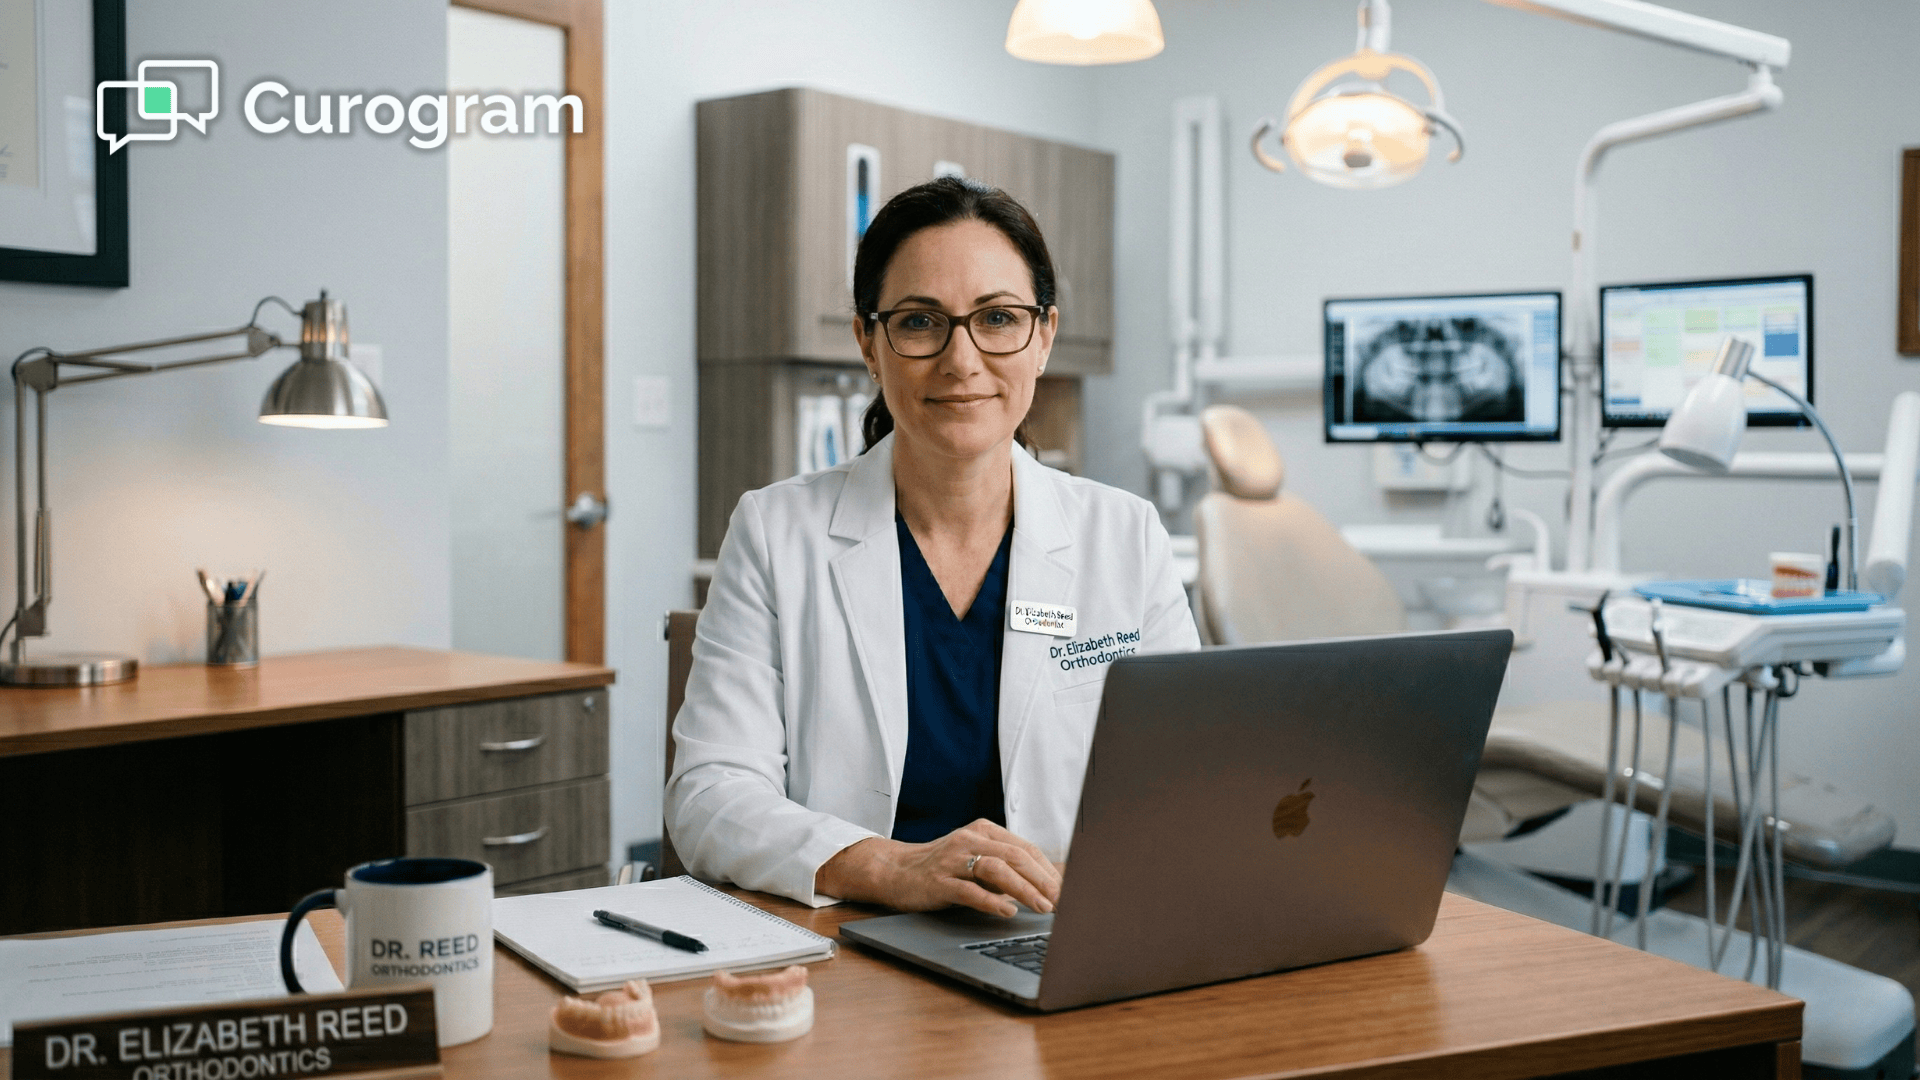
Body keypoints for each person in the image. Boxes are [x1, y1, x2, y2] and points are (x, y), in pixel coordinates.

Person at [666, 176, 1199, 915]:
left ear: (1043, 337)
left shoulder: (1125, 537)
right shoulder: (773, 532)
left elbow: (1189, 781)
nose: (962, 359)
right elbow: (709, 796)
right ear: (868, 341)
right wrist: (888, 868)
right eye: (920, 322)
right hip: (851, 950)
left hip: (1060, 935)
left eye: (999, 318)